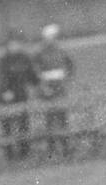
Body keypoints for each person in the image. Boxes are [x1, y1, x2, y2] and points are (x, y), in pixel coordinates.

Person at [0, 32, 39, 161]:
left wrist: (40, 83)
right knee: (8, 125)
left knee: (23, 123)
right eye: (12, 44)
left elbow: (31, 76)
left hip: (21, 95)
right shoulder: (4, 60)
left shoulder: (25, 58)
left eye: (17, 43)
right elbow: (3, 78)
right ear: (8, 45)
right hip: (7, 97)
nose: (15, 46)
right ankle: (9, 153)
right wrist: (6, 91)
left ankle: (24, 152)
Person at [34, 24, 74, 155]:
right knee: (49, 118)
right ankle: (51, 148)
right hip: (47, 89)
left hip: (60, 88)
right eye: (50, 37)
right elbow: (36, 71)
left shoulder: (61, 50)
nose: (52, 39)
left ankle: (65, 146)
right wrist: (43, 86)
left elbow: (70, 66)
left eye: (54, 37)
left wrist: (66, 79)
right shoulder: (39, 52)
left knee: (63, 117)